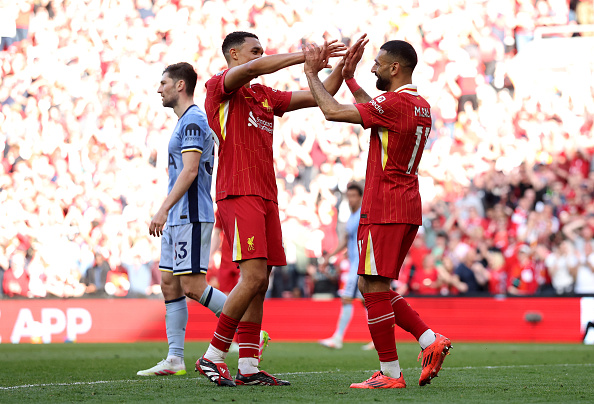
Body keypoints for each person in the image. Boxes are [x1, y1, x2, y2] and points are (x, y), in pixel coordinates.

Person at [196, 31, 346, 387]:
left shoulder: (264, 96)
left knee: (261, 283)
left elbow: (320, 95)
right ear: (234, 54)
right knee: (252, 278)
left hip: (266, 196)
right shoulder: (219, 87)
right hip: (238, 192)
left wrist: (344, 68)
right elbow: (257, 68)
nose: (260, 55)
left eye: (261, 50)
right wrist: (305, 56)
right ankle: (213, 355)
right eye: (254, 50)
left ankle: (248, 367)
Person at [303, 35, 452, 389]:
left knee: (372, 287)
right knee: (372, 285)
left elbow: (332, 111)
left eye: (378, 64)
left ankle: (391, 373)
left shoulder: (394, 103)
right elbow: (376, 111)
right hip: (407, 204)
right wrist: (350, 79)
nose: (373, 68)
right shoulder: (419, 105)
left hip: (384, 205)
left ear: (395, 68)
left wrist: (311, 74)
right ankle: (429, 340)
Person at [137, 62, 229, 377]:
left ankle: (249, 331)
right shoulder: (183, 122)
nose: (158, 89)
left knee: (192, 286)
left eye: (163, 82)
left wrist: (163, 209)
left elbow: (190, 171)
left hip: (190, 214)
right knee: (169, 284)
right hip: (178, 217)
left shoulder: (193, 120)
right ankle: (175, 359)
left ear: (180, 85)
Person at [319, 181, 363, 349]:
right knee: (365, 301)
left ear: (361, 197)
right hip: (355, 263)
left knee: (346, 299)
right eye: (349, 196)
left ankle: (337, 338)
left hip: (359, 265)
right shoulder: (352, 217)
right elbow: (346, 241)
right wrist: (330, 256)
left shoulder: (362, 215)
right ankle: (378, 339)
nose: (351, 199)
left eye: (354, 196)